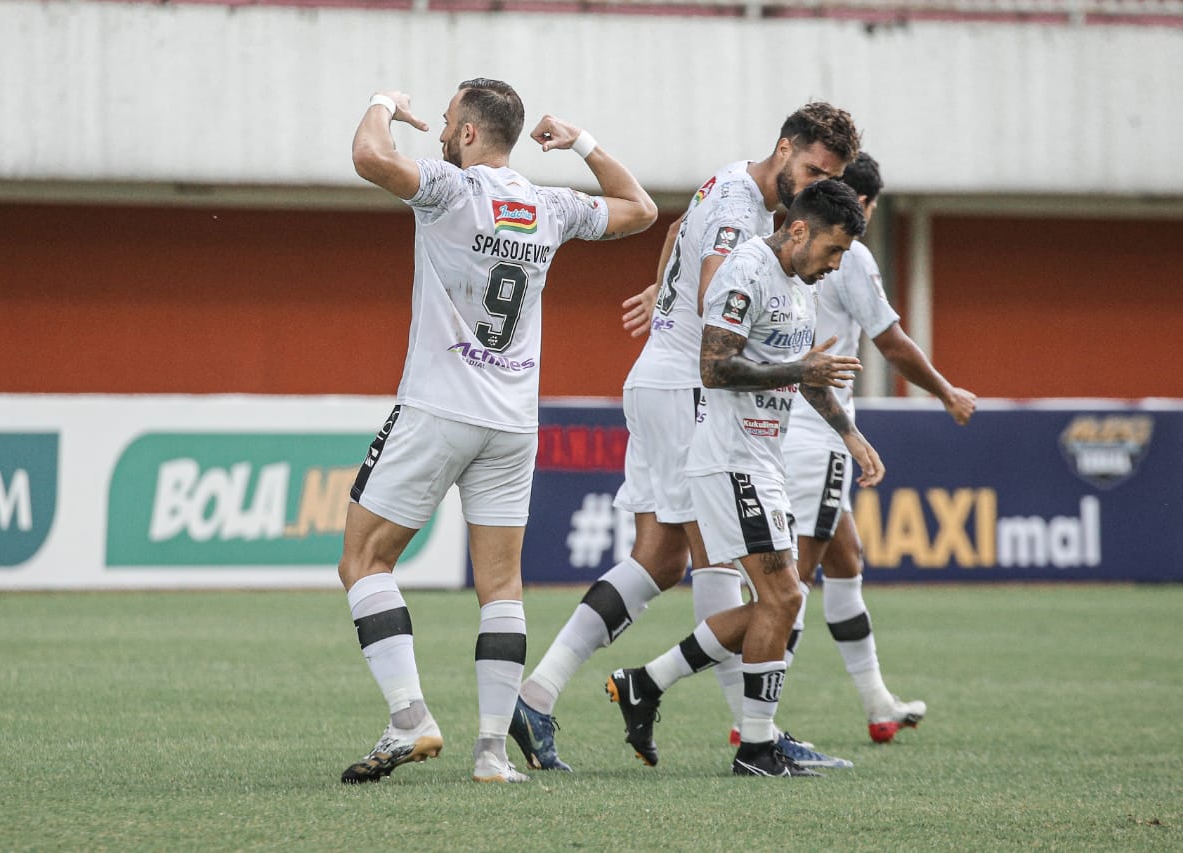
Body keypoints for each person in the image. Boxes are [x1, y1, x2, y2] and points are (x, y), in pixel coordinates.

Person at [510, 103, 861, 772]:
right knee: (725, 565)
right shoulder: (742, 208)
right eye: (814, 168)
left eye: (831, 175)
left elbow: (677, 230)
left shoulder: (732, 183)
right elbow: (717, 301)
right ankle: (753, 735)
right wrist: (688, 305)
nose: (817, 184)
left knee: (660, 560)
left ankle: (539, 692)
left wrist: (659, 289)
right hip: (687, 390)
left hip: (663, 380)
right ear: (784, 147)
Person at [339, 79, 656, 785]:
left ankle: (409, 716)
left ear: (472, 134)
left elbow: (369, 157)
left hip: (438, 406)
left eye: (449, 122)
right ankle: (490, 752)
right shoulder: (547, 205)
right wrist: (583, 143)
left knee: (364, 559)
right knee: (503, 585)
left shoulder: (451, 190)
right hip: (513, 421)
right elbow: (641, 208)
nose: (442, 132)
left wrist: (384, 103)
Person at [605, 179, 880, 778]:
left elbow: (805, 378)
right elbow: (714, 366)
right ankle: (756, 746)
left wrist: (850, 435)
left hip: (763, 460)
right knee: (783, 596)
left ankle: (646, 682)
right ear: (800, 230)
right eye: (833, 251)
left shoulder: (800, 288)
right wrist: (798, 365)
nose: (834, 266)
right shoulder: (746, 268)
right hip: (728, 459)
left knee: (777, 600)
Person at [782, 153, 976, 742]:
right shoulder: (851, 252)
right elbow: (889, 342)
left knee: (846, 560)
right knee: (791, 585)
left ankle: (877, 704)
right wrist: (945, 391)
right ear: (864, 206)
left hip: (789, 425)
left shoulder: (785, 240)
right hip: (818, 431)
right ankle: (748, 720)